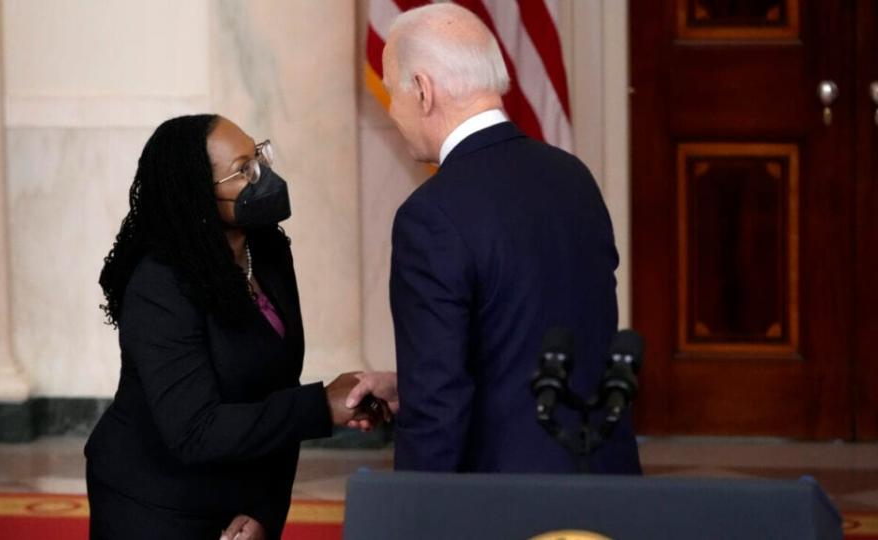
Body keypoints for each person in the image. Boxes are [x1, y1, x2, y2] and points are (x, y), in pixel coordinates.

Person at [351, 3, 641, 474]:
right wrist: (411, 386)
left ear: (422, 90)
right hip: (604, 482)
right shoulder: (574, 178)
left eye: (393, 92)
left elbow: (437, 412)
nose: (394, 111)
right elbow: (528, 337)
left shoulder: (430, 215)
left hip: (502, 503)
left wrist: (411, 516)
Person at [85, 114, 383, 540]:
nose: (264, 176)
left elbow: (279, 387)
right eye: (244, 170)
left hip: (238, 498)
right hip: (154, 504)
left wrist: (265, 508)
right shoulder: (159, 284)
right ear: (197, 196)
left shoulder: (268, 253)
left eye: (258, 155)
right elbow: (195, 429)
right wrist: (322, 406)